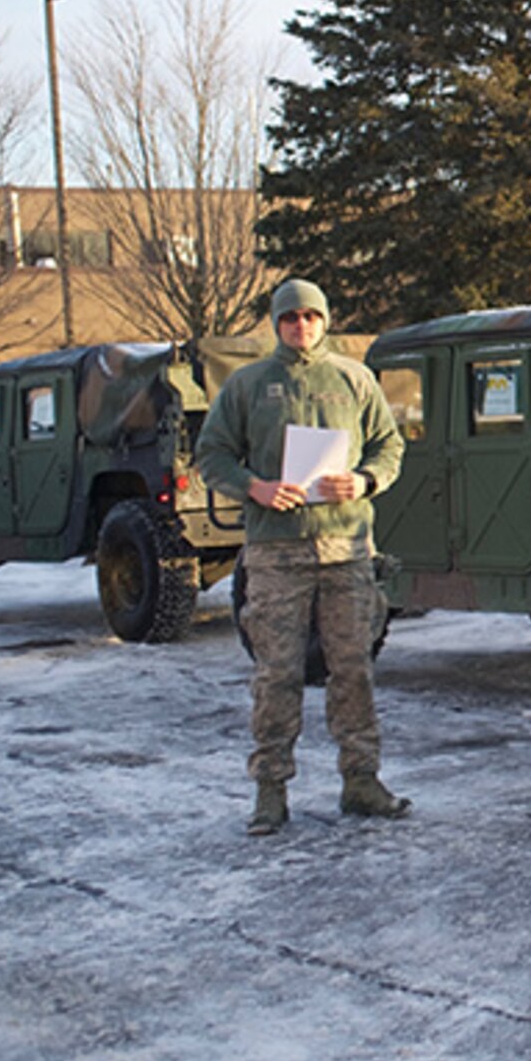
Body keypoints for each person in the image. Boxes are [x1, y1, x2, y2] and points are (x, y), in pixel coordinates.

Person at [196, 278, 407, 837]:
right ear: (276, 323)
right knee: (277, 673)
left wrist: (363, 481)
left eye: (312, 317)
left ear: (325, 320)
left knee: (353, 668)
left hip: (346, 549)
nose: (302, 327)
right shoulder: (247, 385)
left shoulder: (354, 378)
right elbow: (211, 454)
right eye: (291, 318)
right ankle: (271, 789)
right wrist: (254, 487)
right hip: (276, 551)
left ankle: (361, 780)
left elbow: (390, 445)